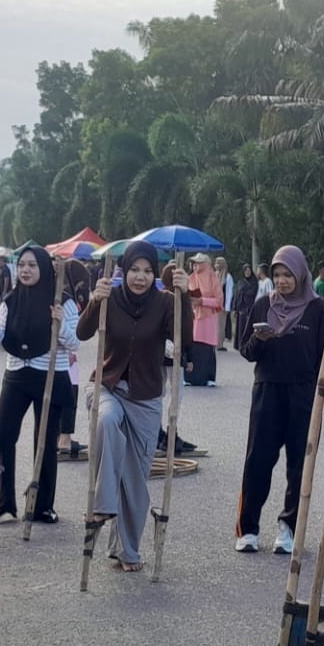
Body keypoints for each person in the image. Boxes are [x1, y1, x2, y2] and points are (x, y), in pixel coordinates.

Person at [76, 241, 191, 572]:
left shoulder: (165, 302)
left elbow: (184, 340)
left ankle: (126, 550)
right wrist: (94, 300)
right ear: (124, 271)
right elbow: (83, 333)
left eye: (147, 271)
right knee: (107, 421)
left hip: (145, 397)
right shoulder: (110, 297)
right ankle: (102, 506)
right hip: (107, 386)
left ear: (155, 274)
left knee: (136, 478)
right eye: (134, 270)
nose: (140, 277)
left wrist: (185, 297)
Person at [234, 246, 324, 554]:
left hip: (303, 395)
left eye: (287, 275)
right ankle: (248, 528)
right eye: (277, 275)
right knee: (258, 461)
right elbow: (246, 351)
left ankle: (288, 527)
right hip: (267, 391)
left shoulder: (318, 309)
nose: (281, 281)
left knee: (299, 464)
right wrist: (259, 339)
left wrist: (321, 392)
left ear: (300, 275)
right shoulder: (263, 305)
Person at [0, 246, 78, 525]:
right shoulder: (9, 300)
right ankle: (5, 503)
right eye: (22, 265)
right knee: (3, 436)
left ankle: (42, 505)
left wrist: (60, 324)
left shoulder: (63, 302)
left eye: (32, 265)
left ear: (44, 268)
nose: (25, 270)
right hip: (16, 374)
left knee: (45, 442)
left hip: (50, 374)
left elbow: (75, 343)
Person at [57, 258, 93, 460]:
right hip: (65, 353)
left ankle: (58, 436)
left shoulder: (57, 292)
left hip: (61, 353)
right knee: (69, 395)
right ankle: (64, 438)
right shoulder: (67, 298)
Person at [185, 253, 221, 386]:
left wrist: (202, 301)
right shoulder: (190, 278)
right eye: (194, 263)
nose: (195, 266)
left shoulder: (213, 278)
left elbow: (219, 301)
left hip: (208, 318)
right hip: (194, 316)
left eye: (198, 263)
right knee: (193, 345)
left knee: (207, 347)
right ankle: (190, 377)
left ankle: (209, 377)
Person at [233, 263, 259, 343]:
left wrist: (245, 292)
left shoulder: (254, 282)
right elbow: (237, 295)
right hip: (241, 308)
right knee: (241, 328)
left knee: (249, 328)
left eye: (249, 270)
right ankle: (241, 344)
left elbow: (253, 292)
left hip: (250, 308)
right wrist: (234, 308)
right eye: (246, 271)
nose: (247, 272)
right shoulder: (240, 282)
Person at [215, 257, 235, 351]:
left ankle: (220, 344)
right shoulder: (215, 274)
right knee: (214, 324)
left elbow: (229, 293)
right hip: (214, 304)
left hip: (222, 305)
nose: (216, 265)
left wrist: (227, 307)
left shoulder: (228, 276)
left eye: (218, 263)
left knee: (221, 325)